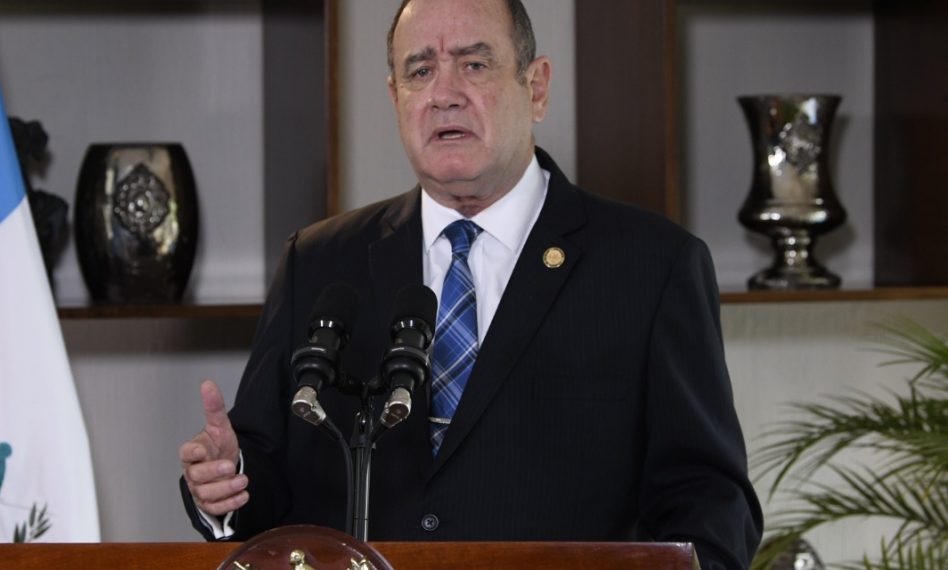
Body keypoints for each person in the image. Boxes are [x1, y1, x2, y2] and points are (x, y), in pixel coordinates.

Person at [179, 0, 762, 568]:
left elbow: (709, 499)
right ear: (395, 97)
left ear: (536, 87)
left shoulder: (651, 266)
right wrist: (227, 483)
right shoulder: (319, 262)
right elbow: (267, 481)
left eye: (474, 64)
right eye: (420, 71)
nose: (444, 94)